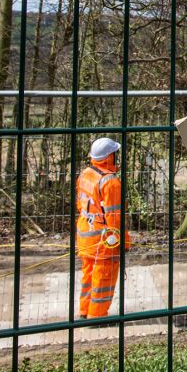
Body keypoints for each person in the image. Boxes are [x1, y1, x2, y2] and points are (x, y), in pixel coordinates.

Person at [76, 136, 130, 319]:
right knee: (103, 277)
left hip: (85, 233)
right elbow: (115, 218)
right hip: (104, 239)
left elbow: (80, 203)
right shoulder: (110, 182)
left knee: (88, 275)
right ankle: (97, 315)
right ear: (110, 157)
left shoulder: (85, 174)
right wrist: (123, 243)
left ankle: (85, 310)